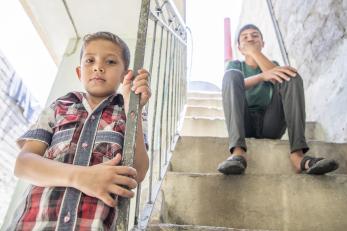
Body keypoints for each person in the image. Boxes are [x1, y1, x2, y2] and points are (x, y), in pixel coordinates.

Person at [8, 31, 151, 230]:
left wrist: (132, 108)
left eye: (110, 62)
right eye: (90, 60)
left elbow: (138, 172)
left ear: (124, 75)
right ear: (79, 72)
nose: (98, 67)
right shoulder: (59, 106)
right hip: (33, 224)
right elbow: (23, 164)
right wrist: (80, 177)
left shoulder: (131, 111)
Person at [217, 24, 338, 175]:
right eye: (245, 37)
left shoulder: (272, 65)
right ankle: (238, 153)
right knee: (231, 75)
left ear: (263, 43)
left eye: (255, 36)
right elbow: (231, 87)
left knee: (289, 77)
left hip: (271, 123)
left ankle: (298, 155)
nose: (250, 39)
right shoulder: (236, 65)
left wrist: (255, 53)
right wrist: (262, 77)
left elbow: (279, 78)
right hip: (244, 122)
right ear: (240, 48)